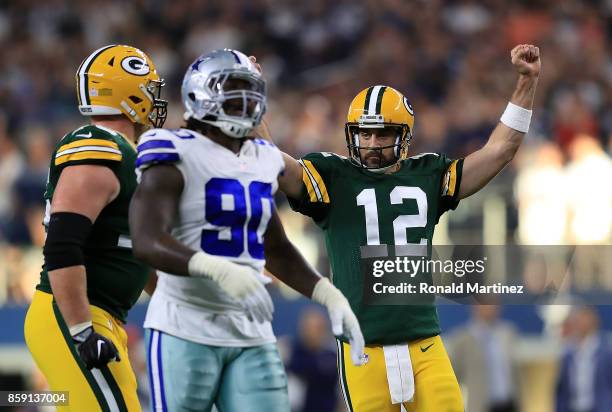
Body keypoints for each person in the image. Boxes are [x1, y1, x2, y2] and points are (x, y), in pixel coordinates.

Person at [275, 44, 541, 411]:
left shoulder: (427, 174)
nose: (370, 143)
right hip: (362, 348)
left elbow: (501, 150)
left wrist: (527, 81)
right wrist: (254, 114)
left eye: (382, 134)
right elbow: (279, 167)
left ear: (404, 136)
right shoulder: (333, 175)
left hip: (425, 344)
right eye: (364, 134)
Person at [128, 48, 364, 412]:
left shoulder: (262, 158)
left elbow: (278, 249)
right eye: (232, 89)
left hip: (251, 328)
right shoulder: (172, 149)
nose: (244, 100)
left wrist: (329, 295)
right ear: (199, 92)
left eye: (249, 89)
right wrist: (217, 269)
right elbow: (146, 242)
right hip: (184, 325)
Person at [24, 44, 167, 411]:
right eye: (150, 90)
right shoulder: (99, 147)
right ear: (127, 93)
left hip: (102, 316)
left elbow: (135, 254)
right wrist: (81, 329)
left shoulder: (126, 154)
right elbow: (62, 245)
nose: (155, 100)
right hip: (75, 313)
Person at [448, 305, 520, 412]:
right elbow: (454, 374)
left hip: (508, 403)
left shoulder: (508, 332)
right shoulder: (462, 338)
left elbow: (514, 370)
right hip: (479, 404)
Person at [556, 306, 612, 412]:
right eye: (578, 320)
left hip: (600, 407)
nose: (581, 324)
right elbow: (561, 388)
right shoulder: (568, 351)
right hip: (573, 407)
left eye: (584, 320)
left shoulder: (606, 351)